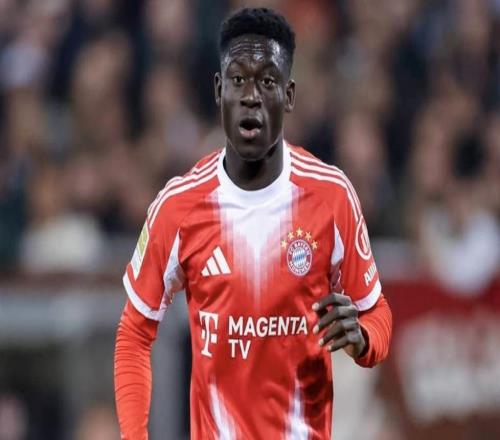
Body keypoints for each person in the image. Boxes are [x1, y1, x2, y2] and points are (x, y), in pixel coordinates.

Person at [114, 7, 392, 439]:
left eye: (267, 81)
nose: (251, 96)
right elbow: (134, 333)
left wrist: (362, 339)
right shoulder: (179, 207)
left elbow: (376, 313)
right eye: (238, 80)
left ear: (289, 95)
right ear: (218, 90)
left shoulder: (332, 197)